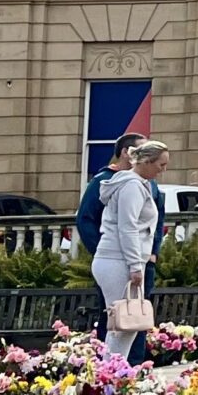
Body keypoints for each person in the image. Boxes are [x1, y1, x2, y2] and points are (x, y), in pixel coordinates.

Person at [94, 139, 169, 363]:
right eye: (160, 165)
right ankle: (111, 376)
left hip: (117, 259)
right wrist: (136, 266)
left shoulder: (135, 184)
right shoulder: (132, 186)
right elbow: (128, 228)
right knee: (123, 323)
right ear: (146, 161)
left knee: (126, 323)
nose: (162, 170)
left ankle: (113, 374)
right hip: (118, 260)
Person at [76, 131, 150, 336]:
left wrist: (154, 251)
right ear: (127, 153)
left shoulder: (146, 182)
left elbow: (155, 220)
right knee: (117, 317)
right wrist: (102, 249)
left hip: (141, 257)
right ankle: (112, 365)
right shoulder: (105, 180)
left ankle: (133, 365)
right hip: (116, 258)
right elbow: (86, 219)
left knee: (138, 318)